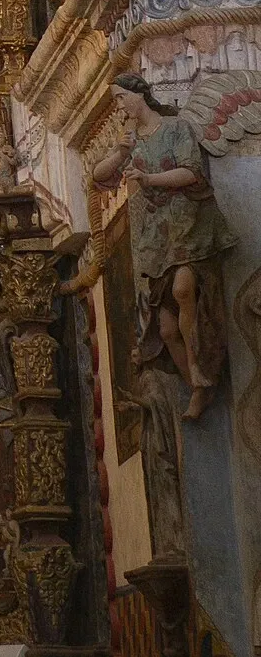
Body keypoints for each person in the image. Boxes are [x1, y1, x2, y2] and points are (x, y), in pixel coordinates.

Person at [92, 72, 236, 420]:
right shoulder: (130, 140)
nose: (119, 104)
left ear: (139, 94)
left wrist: (148, 179)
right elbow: (99, 178)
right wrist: (119, 152)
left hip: (189, 224)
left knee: (184, 290)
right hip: (157, 239)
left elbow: (191, 172)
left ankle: (203, 376)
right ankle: (196, 387)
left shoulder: (175, 128)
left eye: (120, 97)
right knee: (166, 329)